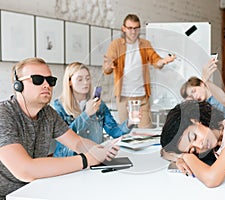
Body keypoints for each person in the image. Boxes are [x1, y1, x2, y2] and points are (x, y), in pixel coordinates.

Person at [0, 58, 119, 199]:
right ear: (18, 85)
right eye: (38, 79)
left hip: (36, 190)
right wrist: (87, 159)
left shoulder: (48, 113)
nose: (46, 85)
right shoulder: (4, 114)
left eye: (50, 81)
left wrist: (104, 152)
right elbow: (25, 170)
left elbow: (77, 143)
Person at [103, 14, 176, 128]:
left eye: (136, 28)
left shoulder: (145, 44)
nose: (133, 32)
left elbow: (155, 60)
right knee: (125, 131)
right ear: (124, 28)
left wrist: (164, 61)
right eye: (130, 28)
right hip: (123, 96)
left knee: (146, 131)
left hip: (142, 96)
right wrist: (109, 65)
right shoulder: (116, 45)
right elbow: (106, 69)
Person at [53, 62, 134, 157]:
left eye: (88, 78)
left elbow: (114, 131)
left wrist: (130, 122)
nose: (85, 83)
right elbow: (64, 138)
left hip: (94, 158)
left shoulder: (99, 105)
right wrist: (86, 115)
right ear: (69, 82)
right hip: (69, 159)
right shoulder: (59, 106)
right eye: (80, 79)